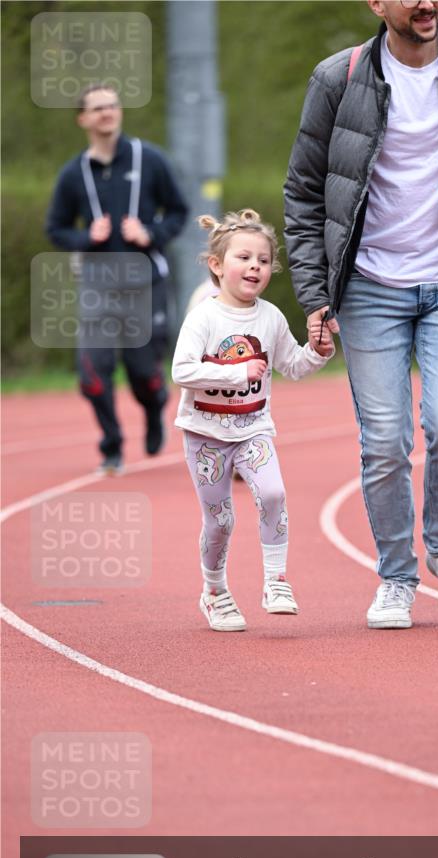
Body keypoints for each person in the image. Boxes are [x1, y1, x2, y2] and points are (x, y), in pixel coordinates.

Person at [284, 0, 438, 629]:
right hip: (369, 289)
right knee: (384, 446)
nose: (425, 2)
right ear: (376, 4)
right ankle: (396, 577)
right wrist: (316, 296)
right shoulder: (336, 79)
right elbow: (304, 191)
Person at [171, 210, 334, 632]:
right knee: (220, 520)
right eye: (243, 258)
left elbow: (293, 366)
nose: (254, 267)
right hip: (205, 434)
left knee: (274, 493)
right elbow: (181, 371)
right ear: (217, 265)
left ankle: (276, 581)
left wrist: (318, 350)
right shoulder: (203, 317)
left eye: (262, 260)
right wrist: (235, 372)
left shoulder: (271, 318)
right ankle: (214, 591)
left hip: (253, 429)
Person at [46, 83, 188, 474]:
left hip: (146, 286)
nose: (107, 112)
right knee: (92, 376)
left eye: (112, 105)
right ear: (83, 119)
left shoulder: (150, 159)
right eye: (97, 108)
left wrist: (150, 233)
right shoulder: (73, 174)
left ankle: (154, 407)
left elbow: (178, 210)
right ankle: (111, 447)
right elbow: (55, 228)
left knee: (144, 373)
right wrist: (83, 238)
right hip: (97, 287)